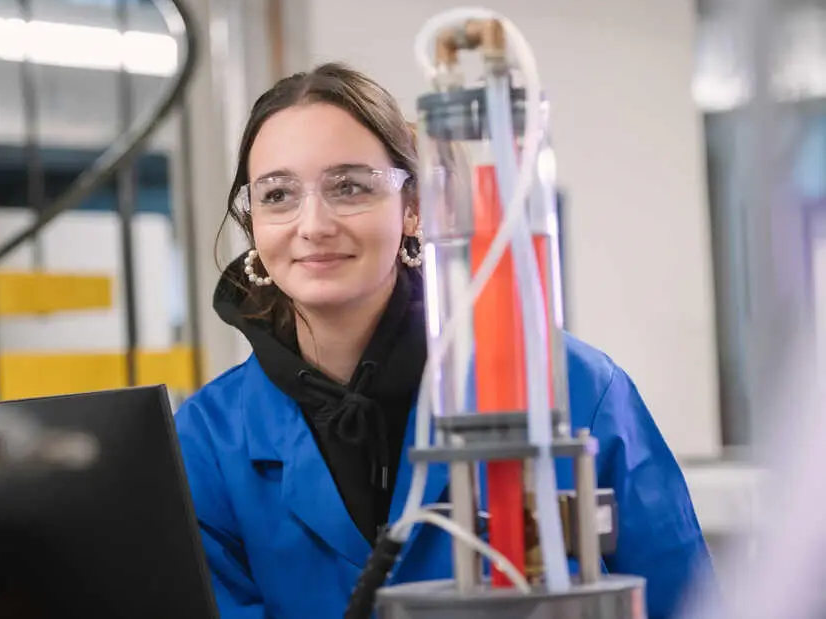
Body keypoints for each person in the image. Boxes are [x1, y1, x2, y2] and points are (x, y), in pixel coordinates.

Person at [174, 62, 713, 619]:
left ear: (413, 209)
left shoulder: (571, 388)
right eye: (278, 194)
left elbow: (687, 603)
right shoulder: (207, 441)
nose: (313, 224)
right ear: (253, 221)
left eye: (350, 186)